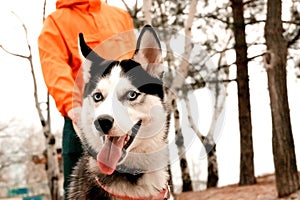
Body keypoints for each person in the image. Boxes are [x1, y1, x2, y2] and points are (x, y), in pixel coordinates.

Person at [38, 0, 135, 198]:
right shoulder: (56, 22)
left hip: (127, 117)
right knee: (80, 192)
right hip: (81, 118)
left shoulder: (120, 16)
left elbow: (134, 64)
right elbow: (54, 66)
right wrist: (71, 106)